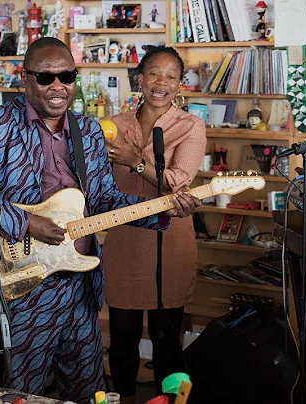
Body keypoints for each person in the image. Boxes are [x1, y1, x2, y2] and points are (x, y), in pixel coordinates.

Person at [0, 38, 201, 402]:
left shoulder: (89, 131)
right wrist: (25, 222)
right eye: (46, 77)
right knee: (21, 392)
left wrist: (161, 209)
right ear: (24, 78)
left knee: (87, 391)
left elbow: (105, 200)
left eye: (67, 76)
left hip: (79, 287)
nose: (58, 86)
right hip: (23, 284)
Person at [102, 46, 207, 402]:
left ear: (180, 84)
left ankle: (175, 401)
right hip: (124, 242)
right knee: (122, 338)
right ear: (140, 79)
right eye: (153, 74)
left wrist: (136, 162)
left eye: (171, 76)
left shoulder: (190, 125)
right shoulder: (114, 126)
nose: (161, 82)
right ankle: (125, 399)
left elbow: (178, 181)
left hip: (170, 243)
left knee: (167, 342)